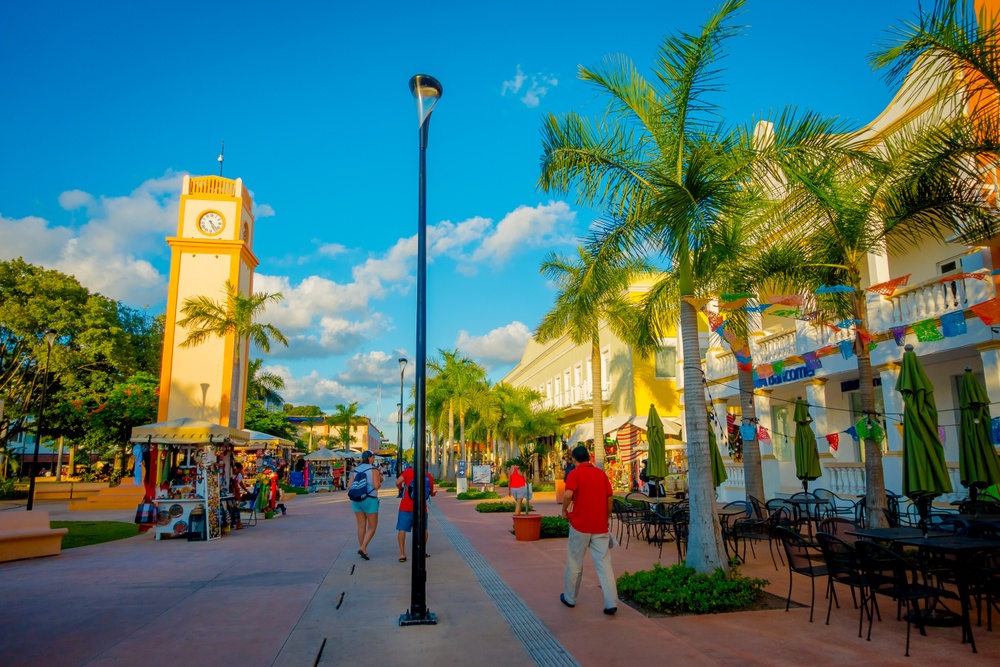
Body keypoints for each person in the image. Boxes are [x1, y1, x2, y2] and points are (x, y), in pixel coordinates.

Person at [560, 445, 618, 615]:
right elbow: (610, 498)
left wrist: (564, 510)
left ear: (575, 460)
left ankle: (570, 598)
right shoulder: (601, 474)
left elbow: (568, 494)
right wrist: (606, 517)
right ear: (589, 457)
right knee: (604, 564)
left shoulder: (575, 474)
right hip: (599, 527)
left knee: (575, 562)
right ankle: (610, 603)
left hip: (579, 525)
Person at [395, 459, 436, 562]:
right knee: (424, 530)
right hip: (421, 507)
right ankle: (422, 550)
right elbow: (430, 493)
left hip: (406, 506)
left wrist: (400, 488)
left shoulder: (408, 472)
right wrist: (433, 494)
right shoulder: (428, 476)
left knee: (402, 529)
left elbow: (398, 482)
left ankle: (402, 554)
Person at [350, 451, 382, 560]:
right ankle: (363, 548)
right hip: (370, 499)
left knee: (361, 526)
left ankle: (363, 548)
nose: (374, 458)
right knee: (372, 527)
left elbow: (349, 485)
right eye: (373, 457)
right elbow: (376, 486)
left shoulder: (356, 469)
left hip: (357, 500)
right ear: (369, 458)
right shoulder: (373, 470)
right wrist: (380, 480)